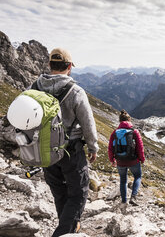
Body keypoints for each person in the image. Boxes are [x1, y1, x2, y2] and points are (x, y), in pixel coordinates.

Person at [32, 48, 99, 236]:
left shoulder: (34, 87)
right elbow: (88, 122)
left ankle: (70, 228)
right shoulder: (75, 91)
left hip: (44, 150)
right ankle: (63, 232)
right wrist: (93, 147)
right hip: (71, 151)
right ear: (69, 67)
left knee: (59, 192)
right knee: (78, 193)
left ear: (49, 65)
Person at [108, 110, 145, 208]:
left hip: (120, 161)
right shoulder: (134, 132)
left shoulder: (114, 132)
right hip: (133, 160)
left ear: (120, 121)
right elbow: (140, 147)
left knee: (123, 180)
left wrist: (112, 160)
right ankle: (133, 197)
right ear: (129, 120)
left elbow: (110, 148)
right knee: (137, 176)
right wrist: (142, 159)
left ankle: (124, 201)